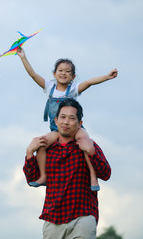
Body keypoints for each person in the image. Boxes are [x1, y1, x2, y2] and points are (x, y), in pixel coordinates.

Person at [17, 47, 117, 190]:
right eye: (61, 70)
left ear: (73, 77)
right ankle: (43, 176)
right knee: (42, 143)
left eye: (68, 72)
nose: (64, 73)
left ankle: (93, 177)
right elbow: (32, 74)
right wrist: (23, 57)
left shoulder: (74, 89)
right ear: (54, 73)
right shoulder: (49, 86)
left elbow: (89, 82)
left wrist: (106, 77)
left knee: (85, 141)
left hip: (75, 129)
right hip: (56, 129)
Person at [23, 98, 111, 239]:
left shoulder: (87, 145)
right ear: (56, 120)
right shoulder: (46, 149)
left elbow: (106, 174)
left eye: (71, 118)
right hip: (53, 218)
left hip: (83, 215)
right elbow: (32, 179)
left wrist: (92, 152)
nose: (66, 122)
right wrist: (29, 153)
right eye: (62, 117)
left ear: (79, 123)